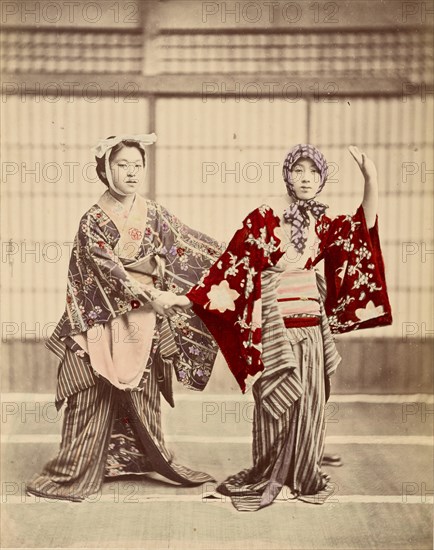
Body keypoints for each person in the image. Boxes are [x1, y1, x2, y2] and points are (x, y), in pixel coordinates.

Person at [186, 144, 392, 511]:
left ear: (323, 178)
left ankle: (302, 474)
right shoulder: (265, 217)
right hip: (274, 328)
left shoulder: (325, 225)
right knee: (274, 405)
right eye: (299, 170)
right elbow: (231, 266)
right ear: (287, 175)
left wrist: (371, 179)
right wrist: (191, 298)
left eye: (314, 172)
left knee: (311, 402)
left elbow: (364, 227)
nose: (307, 178)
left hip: (312, 330)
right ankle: (268, 472)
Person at [26, 134, 221, 501]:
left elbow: (191, 247)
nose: (131, 172)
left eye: (137, 165)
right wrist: (150, 295)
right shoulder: (93, 220)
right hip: (101, 316)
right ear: (105, 169)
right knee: (90, 389)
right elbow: (105, 270)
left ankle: (130, 459)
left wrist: (237, 260)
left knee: (143, 389)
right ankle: (77, 467)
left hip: (145, 318)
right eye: (122, 165)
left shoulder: (155, 214)